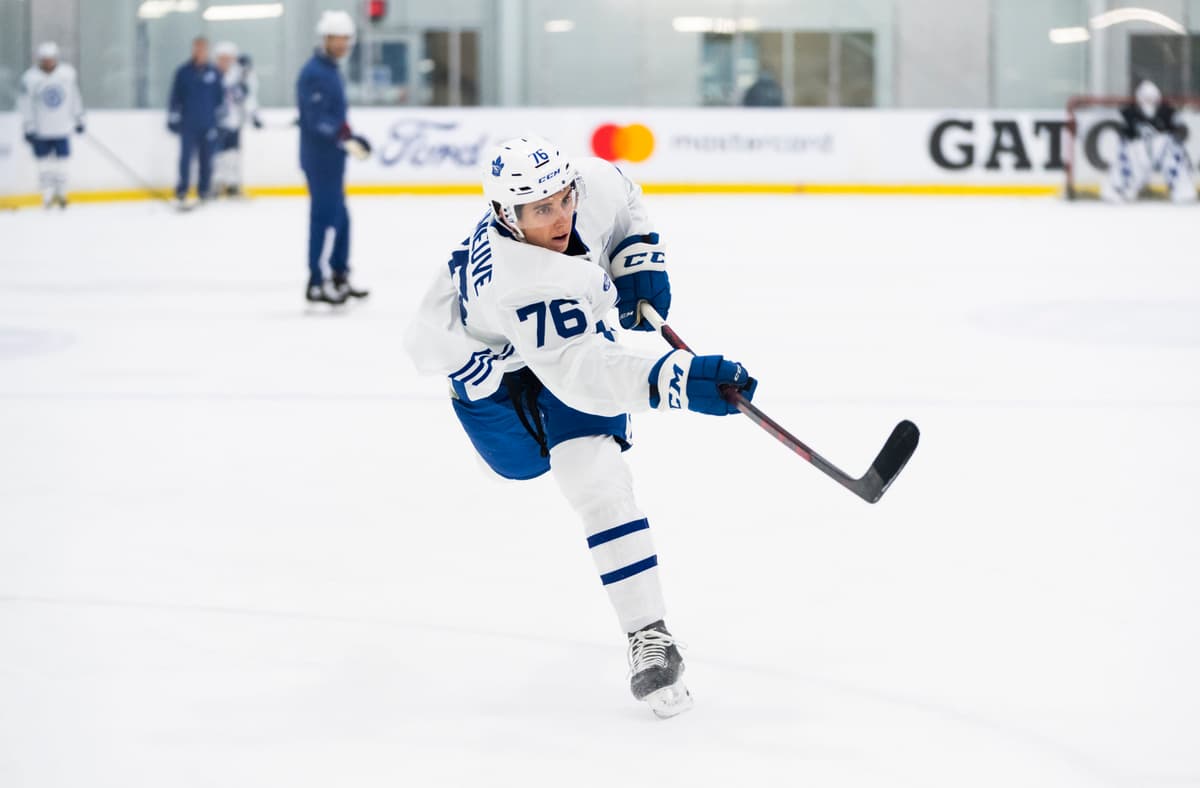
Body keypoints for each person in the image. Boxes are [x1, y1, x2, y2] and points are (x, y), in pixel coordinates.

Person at [403, 135, 758, 719]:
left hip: (565, 343)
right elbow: (581, 375)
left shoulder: (588, 185)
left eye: (563, 199)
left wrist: (636, 251)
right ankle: (505, 416)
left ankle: (650, 637)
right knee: (521, 465)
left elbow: (623, 192)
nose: (561, 215)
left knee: (590, 472)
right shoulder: (520, 279)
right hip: (490, 370)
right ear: (505, 216)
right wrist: (678, 379)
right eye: (541, 210)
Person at [296, 10, 372, 305]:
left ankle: (339, 274)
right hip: (319, 159)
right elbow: (315, 119)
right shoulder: (314, 72)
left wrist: (347, 135)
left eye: (346, 39)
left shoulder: (330, 69)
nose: (342, 44)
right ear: (325, 39)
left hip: (333, 157)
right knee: (326, 220)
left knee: (342, 218)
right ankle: (317, 281)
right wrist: (343, 135)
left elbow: (333, 118)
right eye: (337, 38)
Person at [1102, 80, 1196, 203]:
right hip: (1138, 151)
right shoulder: (1129, 113)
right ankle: (1120, 188)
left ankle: (1182, 189)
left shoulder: (1167, 112)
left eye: (1152, 98)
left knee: (1173, 150)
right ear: (1138, 98)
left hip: (1162, 150)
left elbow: (1180, 130)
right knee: (1126, 152)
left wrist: (1173, 133)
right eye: (1145, 98)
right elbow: (1122, 135)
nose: (1149, 101)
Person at [18, 42, 85, 209]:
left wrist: (78, 118)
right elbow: (26, 104)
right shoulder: (30, 78)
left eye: (50, 59)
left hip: (61, 127)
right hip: (40, 129)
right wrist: (28, 126)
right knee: (43, 164)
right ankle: (47, 196)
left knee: (62, 163)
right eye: (44, 60)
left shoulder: (66, 75)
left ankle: (61, 194)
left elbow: (74, 97)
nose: (48, 63)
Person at [167, 36, 223, 209]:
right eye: (197, 48)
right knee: (185, 158)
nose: (200, 51)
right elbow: (175, 96)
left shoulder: (214, 72)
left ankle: (204, 189)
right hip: (188, 122)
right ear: (193, 49)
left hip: (208, 122)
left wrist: (218, 121)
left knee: (206, 159)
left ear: (207, 50)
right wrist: (173, 116)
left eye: (203, 48)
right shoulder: (183, 72)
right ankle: (182, 189)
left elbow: (219, 98)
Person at [211, 41, 262, 198]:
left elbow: (248, 96)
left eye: (228, 58)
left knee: (233, 152)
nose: (225, 62)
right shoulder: (213, 75)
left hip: (234, 121)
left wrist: (253, 114)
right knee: (217, 154)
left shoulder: (239, 75)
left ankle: (233, 184)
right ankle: (217, 184)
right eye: (222, 58)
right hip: (217, 122)